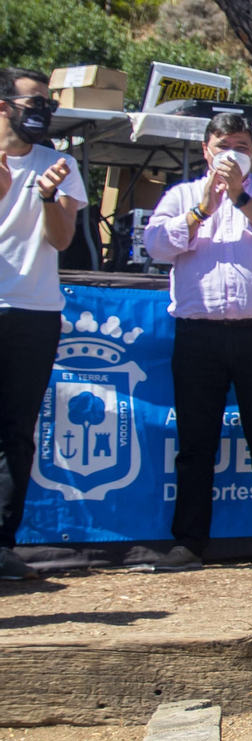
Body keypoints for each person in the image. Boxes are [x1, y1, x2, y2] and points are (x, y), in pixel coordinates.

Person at [143, 110, 252, 571]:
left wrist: (240, 198)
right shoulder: (181, 195)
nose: (232, 156)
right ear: (205, 151)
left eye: (242, 148)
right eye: (224, 147)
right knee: (196, 442)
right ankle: (189, 543)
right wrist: (202, 211)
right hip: (199, 336)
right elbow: (156, 246)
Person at [0, 68, 85, 582]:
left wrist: (48, 197)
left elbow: (60, 240)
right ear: (4, 105)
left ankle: (3, 545)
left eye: (47, 104)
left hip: (34, 311)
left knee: (15, 430)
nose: (42, 112)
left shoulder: (60, 163)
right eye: (33, 102)